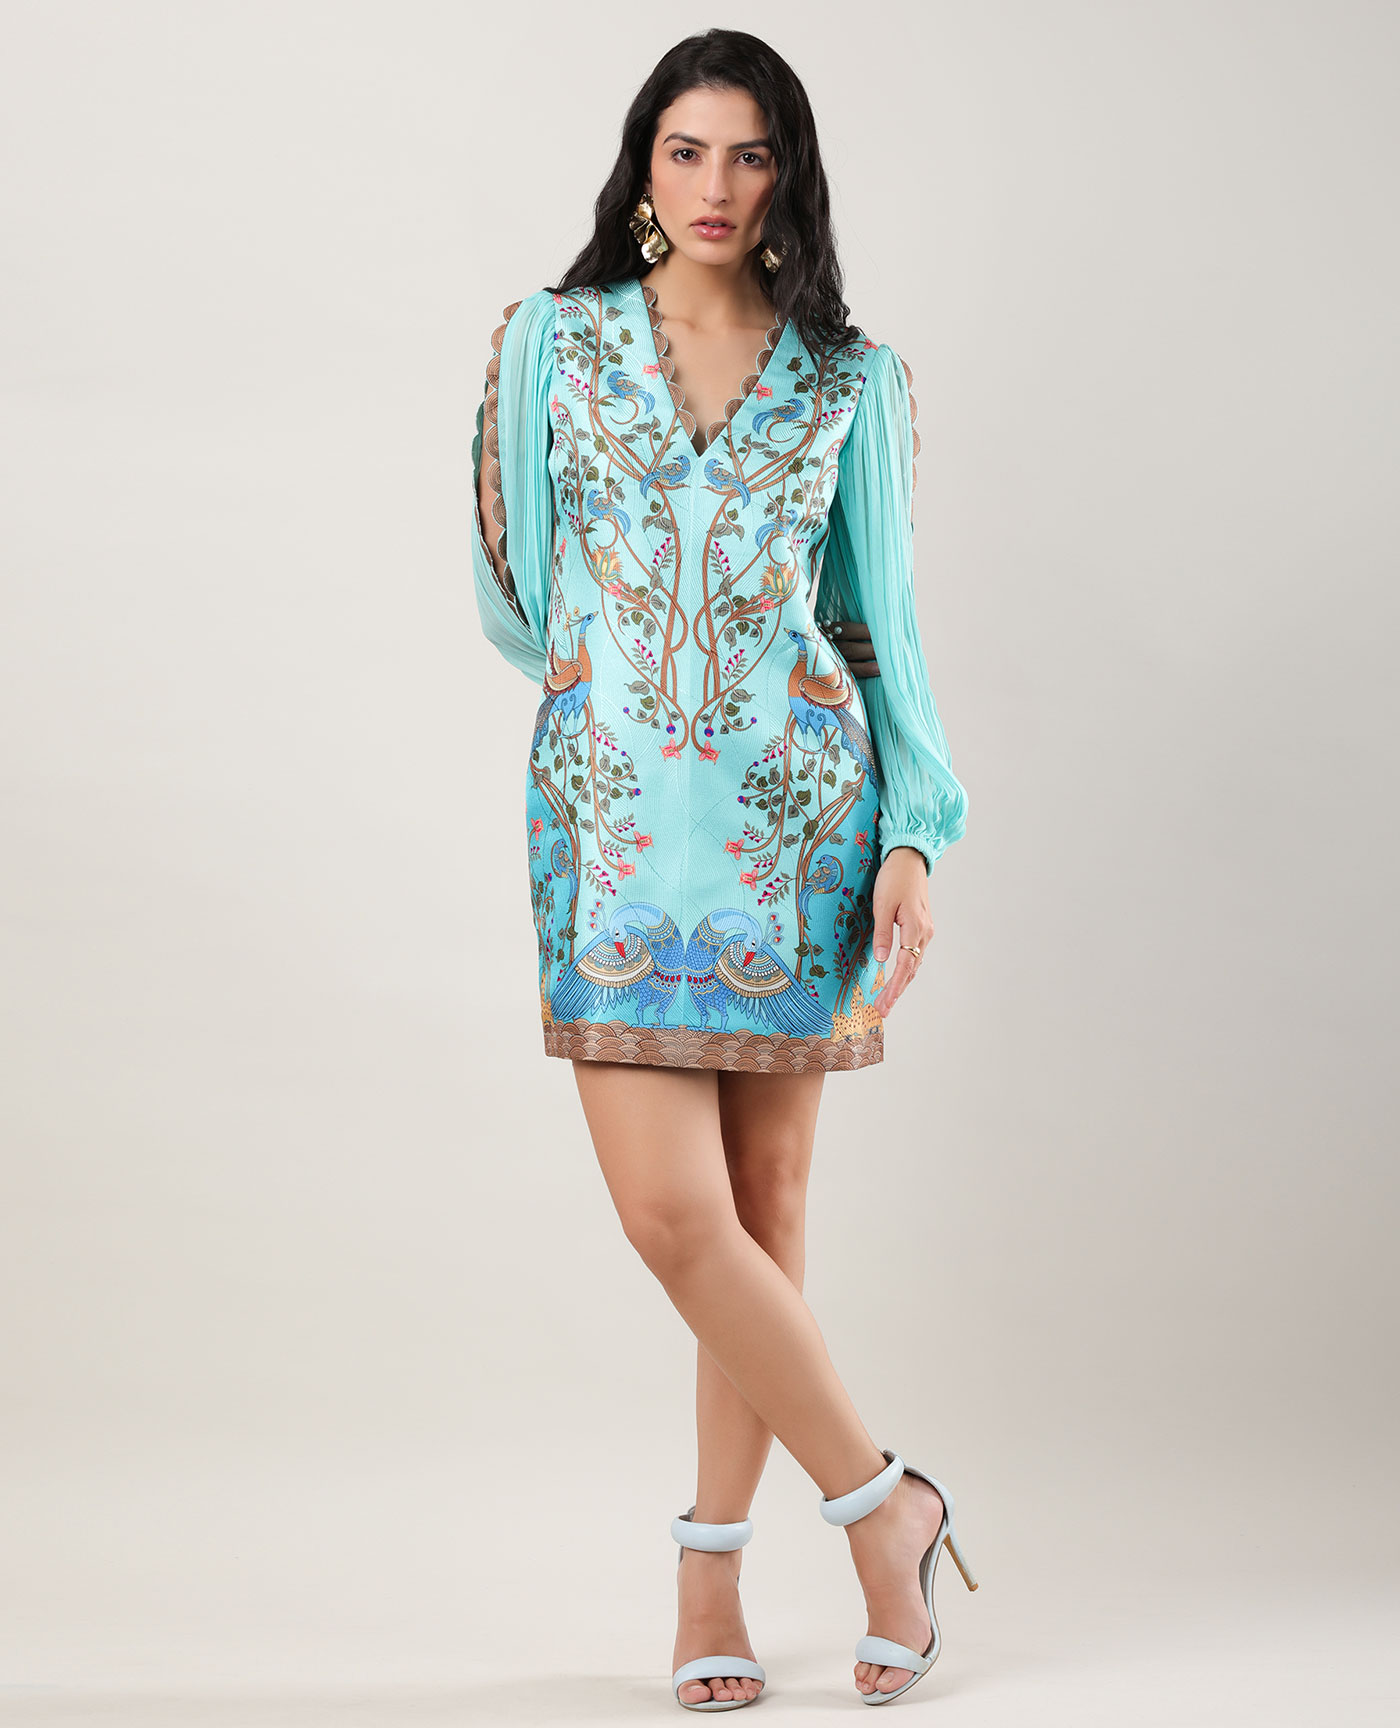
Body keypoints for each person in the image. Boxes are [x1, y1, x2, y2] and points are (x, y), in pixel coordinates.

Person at [470, 28, 975, 1709]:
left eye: (750, 155)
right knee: (675, 1216)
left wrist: (913, 831)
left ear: (788, 178)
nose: (715, 186)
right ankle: (887, 1507)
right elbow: (517, 601)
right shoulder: (550, 347)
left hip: (796, 833)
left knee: (763, 1217)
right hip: (614, 831)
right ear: (642, 167)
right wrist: (623, 701)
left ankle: (710, 1580)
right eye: (686, 151)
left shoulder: (850, 380)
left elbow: (885, 629)